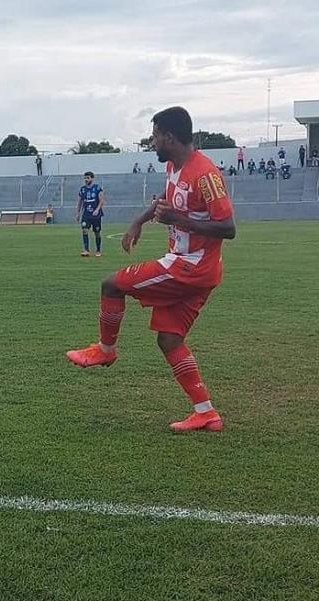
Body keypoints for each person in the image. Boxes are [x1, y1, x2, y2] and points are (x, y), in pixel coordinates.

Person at [66, 106, 235, 432]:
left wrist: (179, 220)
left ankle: (105, 351)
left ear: (170, 137)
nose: (152, 142)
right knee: (170, 340)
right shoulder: (173, 165)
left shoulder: (206, 175)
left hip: (191, 267)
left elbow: (228, 227)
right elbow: (165, 200)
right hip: (195, 269)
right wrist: (138, 222)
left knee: (112, 284)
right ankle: (206, 413)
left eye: (155, 136)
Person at [76, 171, 105, 257]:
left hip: (96, 214)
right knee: (84, 230)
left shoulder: (97, 188)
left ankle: (98, 250)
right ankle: (86, 250)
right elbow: (79, 202)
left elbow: (102, 200)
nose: (86, 179)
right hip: (86, 214)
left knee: (97, 232)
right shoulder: (82, 189)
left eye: (88, 178)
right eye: (85, 178)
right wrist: (78, 213)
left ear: (92, 178)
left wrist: (97, 209)